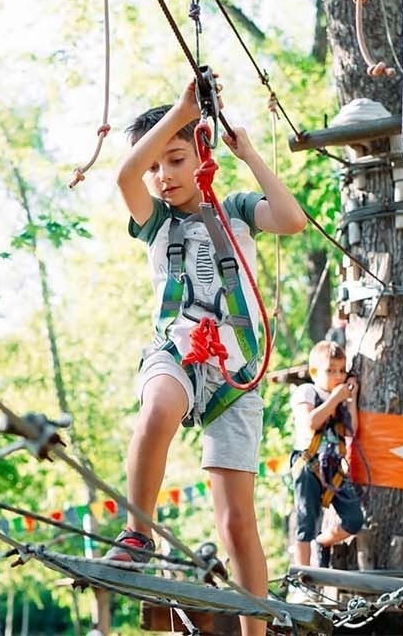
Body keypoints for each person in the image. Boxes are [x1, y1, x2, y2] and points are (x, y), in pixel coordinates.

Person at [105, 73, 306, 636]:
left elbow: (291, 220)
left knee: (236, 520)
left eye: (175, 159)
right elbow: (124, 175)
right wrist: (181, 111)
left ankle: (256, 630)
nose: (162, 176)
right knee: (158, 410)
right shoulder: (155, 223)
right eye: (155, 166)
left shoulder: (237, 209)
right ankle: (137, 531)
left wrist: (248, 154)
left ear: (201, 154)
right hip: (178, 348)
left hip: (234, 371)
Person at [287, 341, 364, 569]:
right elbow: (311, 422)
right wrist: (335, 399)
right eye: (330, 370)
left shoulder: (340, 398)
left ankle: (323, 542)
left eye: (341, 370)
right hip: (308, 464)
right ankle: (302, 576)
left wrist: (351, 399)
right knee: (305, 522)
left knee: (354, 519)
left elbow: (351, 430)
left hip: (334, 469)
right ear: (314, 372)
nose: (337, 376)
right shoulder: (307, 391)